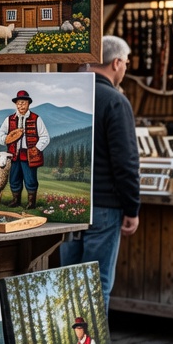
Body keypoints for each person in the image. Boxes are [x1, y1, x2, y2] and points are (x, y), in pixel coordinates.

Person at [60, 35, 140, 313]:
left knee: (66, 284)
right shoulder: (115, 101)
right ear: (116, 63)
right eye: (126, 64)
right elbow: (126, 162)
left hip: (66, 203)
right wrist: (132, 208)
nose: (125, 69)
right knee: (96, 284)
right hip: (104, 207)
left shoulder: (68, 95)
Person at [0, 89, 50, 208]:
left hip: (29, 155)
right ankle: (16, 200)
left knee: (30, 179)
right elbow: (0, 135)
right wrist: (6, 139)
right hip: (13, 155)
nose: (21, 105)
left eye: (24, 103)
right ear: (16, 104)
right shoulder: (9, 119)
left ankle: (31, 203)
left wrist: (37, 148)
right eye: (19, 103)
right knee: (14, 178)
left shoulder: (36, 118)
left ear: (28, 104)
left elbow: (45, 137)